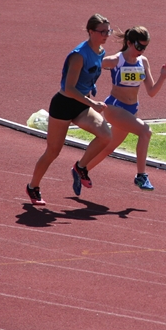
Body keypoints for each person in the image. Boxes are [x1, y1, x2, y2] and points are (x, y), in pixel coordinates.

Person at [26, 14, 113, 205]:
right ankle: (33, 187)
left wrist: (92, 90)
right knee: (53, 152)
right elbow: (69, 88)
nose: (106, 35)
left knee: (106, 135)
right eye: (102, 31)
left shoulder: (100, 51)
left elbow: (89, 76)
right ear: (91, 32)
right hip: (64, 104)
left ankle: (81, 167)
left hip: (81, 104)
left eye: (109, 31)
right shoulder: (79, 55)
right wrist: (93, 104)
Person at [85, 26, 166, 191]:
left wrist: (163, 76)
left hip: (131, 110)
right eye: (139, 46)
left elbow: (152, 92)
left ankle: (80, 169)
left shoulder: (143, 62)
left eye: (145, 47)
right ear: (129, 43)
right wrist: (89, 84)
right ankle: (141, 176)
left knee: (108, 148)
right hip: (114, 107)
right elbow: (90, 64)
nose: (141, 50)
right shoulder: (116, 60)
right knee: (145, 131)